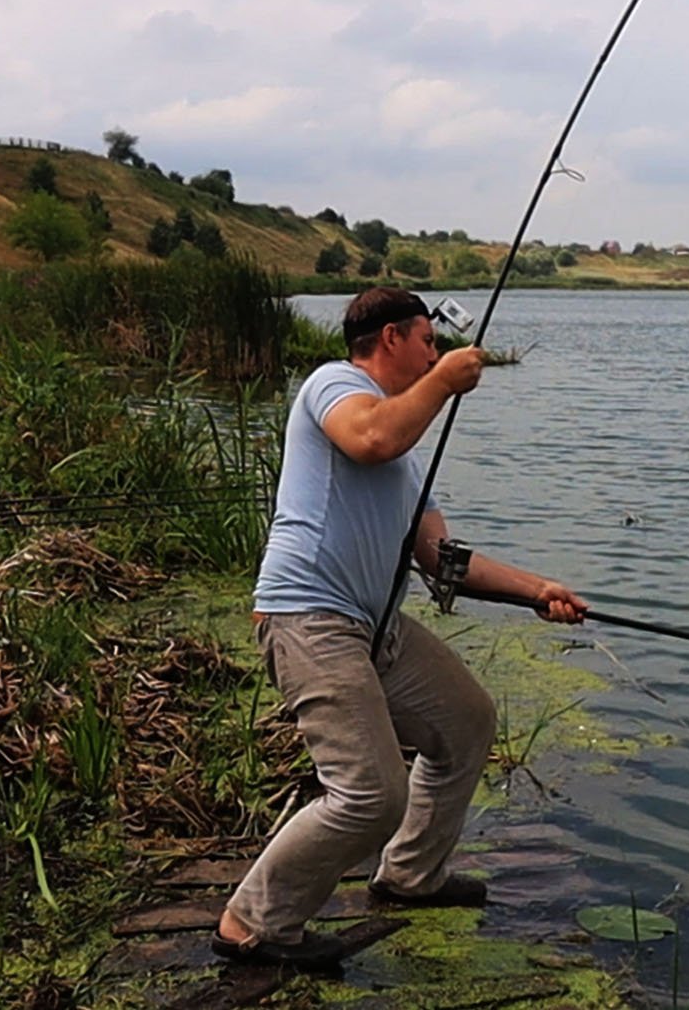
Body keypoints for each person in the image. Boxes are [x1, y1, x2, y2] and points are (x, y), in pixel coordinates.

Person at [213, 287, 585, 967]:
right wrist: (444, 382)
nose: (436, 353)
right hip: (310, 618)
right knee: (369, 794)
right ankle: (252, 923)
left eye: (438, 347)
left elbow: (439, 559)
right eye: (428, 341)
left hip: (375, 627)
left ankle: (411, 876)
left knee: (467, 720)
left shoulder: (407, 459)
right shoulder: (335, 384)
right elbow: (371, 437)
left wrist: (537, 590)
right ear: (390, 338)